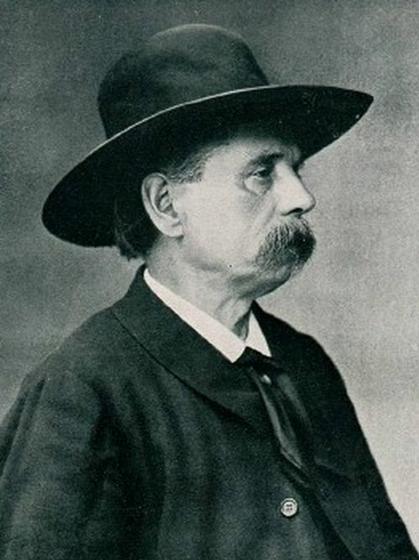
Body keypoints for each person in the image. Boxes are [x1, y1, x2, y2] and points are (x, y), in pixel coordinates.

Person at [0, 23, 417, 560]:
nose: (301, 197)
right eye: (262, 173)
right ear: (166, 206)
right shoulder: (82, 390)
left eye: (295, 168)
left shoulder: (305, 365)